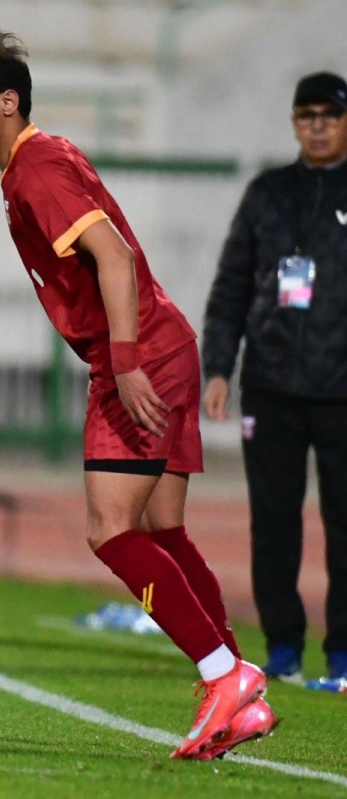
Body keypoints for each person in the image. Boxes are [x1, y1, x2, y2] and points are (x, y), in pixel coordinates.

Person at [0, 29, 275, 759]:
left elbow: (115, 259)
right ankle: (236, 687)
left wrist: (124, 363)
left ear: (7, 101)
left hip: (139, 355)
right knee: (161, 528)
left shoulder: (37, 169)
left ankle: (225, 675)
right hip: (166, 343)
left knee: (110, 529)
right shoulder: (39, 160)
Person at [202, 71, 347, 689]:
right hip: (270, 384)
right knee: (274, 523)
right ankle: (283, 647)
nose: (318, 126)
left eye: (330, 115)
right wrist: (217, 367)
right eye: (306, 115)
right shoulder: (267, 194)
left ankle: (343, 653)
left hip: (342, 392)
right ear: (293, 124)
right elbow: (231, 286)